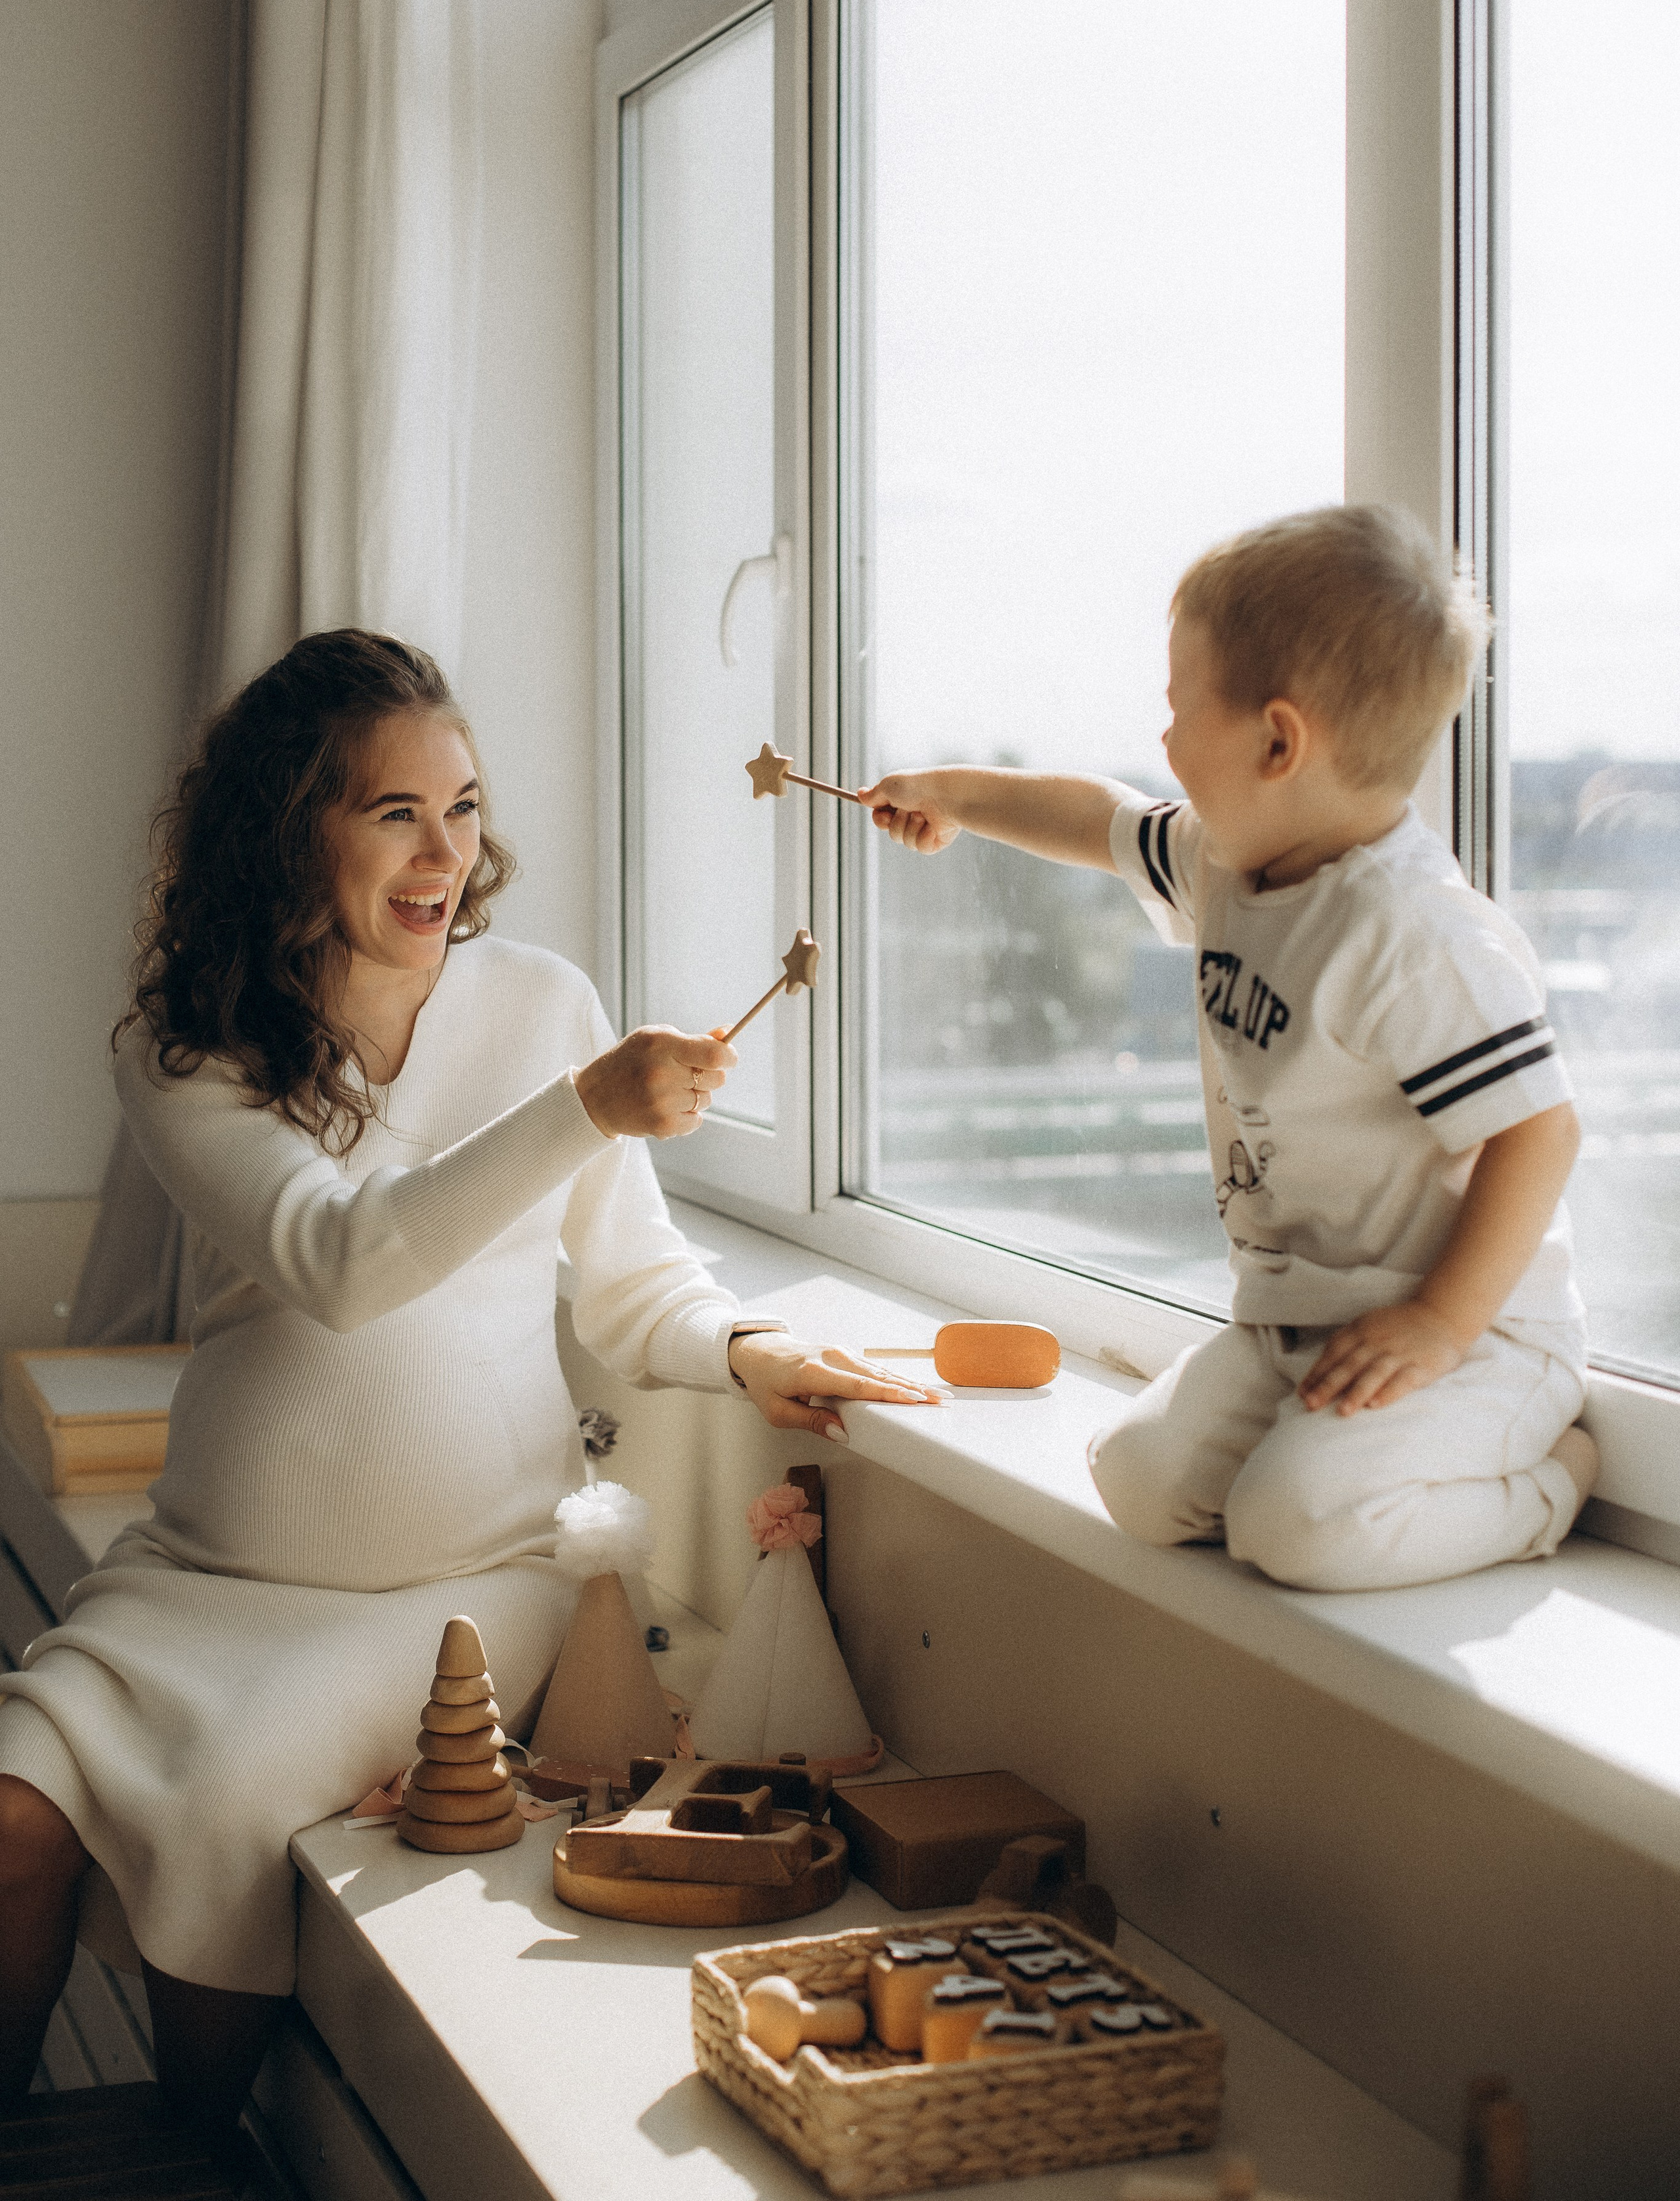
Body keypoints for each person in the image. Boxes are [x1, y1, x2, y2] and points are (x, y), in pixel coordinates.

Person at [0, 630, 927, 2137]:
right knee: (6, 1823)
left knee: (231, 1795)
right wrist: (580, 1110)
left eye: (468, 808)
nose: (447, 855)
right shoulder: (194, 1053)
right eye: (394, 814)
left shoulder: (542, 1004)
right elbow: (341, 1262)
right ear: (289, 827)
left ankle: (189, 2157)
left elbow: (634, 1287)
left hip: (457, 1585)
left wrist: (748, 1348)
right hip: (199, 1578)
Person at [863, 505, 1597, 1595]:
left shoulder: (1412, 933)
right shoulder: (1232, 859)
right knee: (1141, 1483)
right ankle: (1328, 1457)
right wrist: (956, 797)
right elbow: (1102, 822)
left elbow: (1540, 1128)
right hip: (1298, 1316)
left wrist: (1442, 1324)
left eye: (1177, 708)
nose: (1161, 742)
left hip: (1470, 1337)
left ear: (1277, 740)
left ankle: (1553, 1478)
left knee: (1291, 1531)